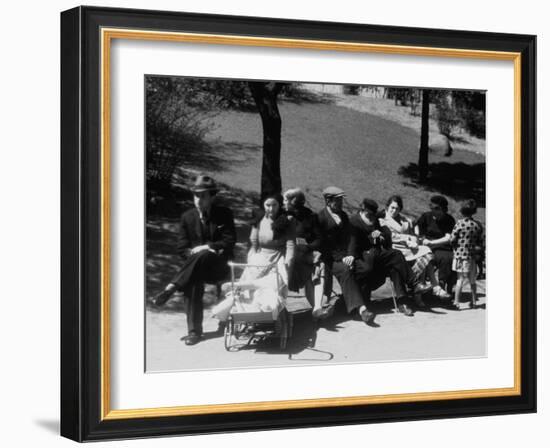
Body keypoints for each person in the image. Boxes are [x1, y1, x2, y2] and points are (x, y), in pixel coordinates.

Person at [150, 175, 236, 346]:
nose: (199, 200)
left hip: (219, 265)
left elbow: (229, 241)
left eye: (203, 196)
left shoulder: (224, 214)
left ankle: (172, 286)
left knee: (203, 254)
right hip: (196, 268)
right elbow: (181, 249)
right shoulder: (187, 217)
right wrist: (195, 254)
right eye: (196, 195)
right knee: (193, 280)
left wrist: (207, 247)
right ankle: (194, 332)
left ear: (212, 196)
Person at [350, 198, 430, 316]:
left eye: (373, 214)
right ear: (363, 210)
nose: (372, 217)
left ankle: (411, 290)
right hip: (363, 256)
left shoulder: (375, 219)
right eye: (369, 214)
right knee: (392, 263)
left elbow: (387, 238)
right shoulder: (354, 222)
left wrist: (381, 235)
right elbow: (353, 243)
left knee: (396, 257)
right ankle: (410, 290)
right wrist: (369, 239)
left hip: (377, 253)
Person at [316, 186, 375, 324]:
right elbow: (322, 244)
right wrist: (341, 257)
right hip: (331, 258)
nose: (341, 203)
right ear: (328, 201)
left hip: (346, 256)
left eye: (341, 200)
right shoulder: (320, 218)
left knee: (366, 269)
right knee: (346, 270)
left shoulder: (343, 216)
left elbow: (351, 237)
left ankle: (348, 302)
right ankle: (362, 310)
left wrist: (351, 255)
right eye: (337, 200)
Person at [380, 195, 451, 301]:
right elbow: (390, 236)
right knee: (423, 255)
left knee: (425, 252)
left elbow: (414, 234)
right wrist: (408, 238)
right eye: (392, 208)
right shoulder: (382, 219)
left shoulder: (404, 220)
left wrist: (414, 240)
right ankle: (426, 290)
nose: (394, 211)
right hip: (395, 250)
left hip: (409, 248)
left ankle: (427, 289)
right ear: (387, 207)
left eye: (397, 208)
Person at [283, 188, 327, 319]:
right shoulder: (283, 217)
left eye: (285, 200)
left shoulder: (311, 217)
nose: (283, 202)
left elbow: (319, 239)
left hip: (305, 254)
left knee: (318, 267)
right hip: (288, 256)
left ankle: (317, 307)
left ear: (293, 201)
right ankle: (317, 310)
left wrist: (307, 247)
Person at [415, 195, 456, 295]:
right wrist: (419, 237)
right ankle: (424, 286)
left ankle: (442, 285)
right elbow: (417, 226)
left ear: (443, 209)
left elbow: (448, 237)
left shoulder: (449, 219)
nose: (433, 211)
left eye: (436, 209)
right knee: (426, 256)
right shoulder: (426, 216)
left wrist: (432, 242)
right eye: (432, 208)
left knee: (447, 258)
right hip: (427, 247)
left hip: (442, 246)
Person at [450, 199, 484, 310]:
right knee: (472, 280)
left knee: (460, 280)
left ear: (462, 211)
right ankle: (474, 302)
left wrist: (455, 245)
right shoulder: (477, 225)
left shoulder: (459, 223)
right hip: (472, 257)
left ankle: (456, 302)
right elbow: (481, 240)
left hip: (460, 256)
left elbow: (452, 239)